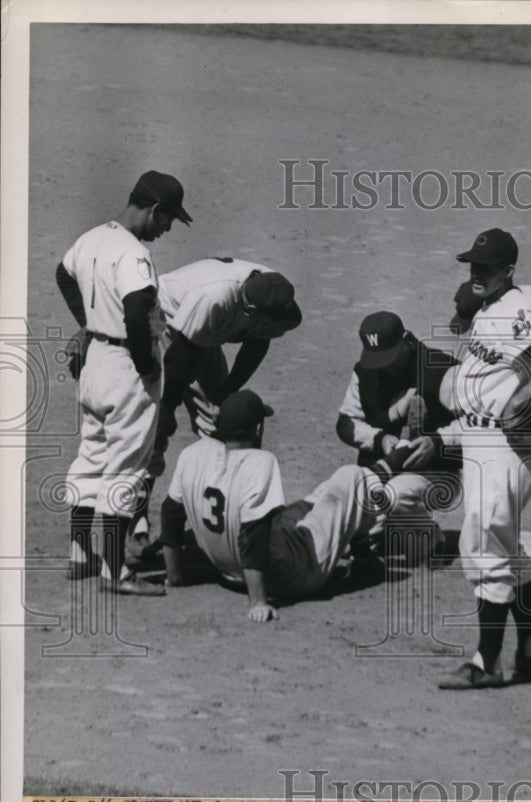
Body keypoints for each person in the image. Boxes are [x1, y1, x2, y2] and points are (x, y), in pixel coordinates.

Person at [57, 170, 192, 596]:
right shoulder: (135, 253)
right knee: (126, 469)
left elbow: (62, 274)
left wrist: (87, 323)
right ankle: (115, 572)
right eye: (169, 218)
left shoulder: (93, 237)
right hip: (124, 368)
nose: (168, 228)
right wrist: (145, 364)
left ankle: (80, 554)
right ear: (154, 209)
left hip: (96, 361)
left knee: (91, 455)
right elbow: (137, 311)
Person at [435, 229, 531, 690]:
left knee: (483, 550)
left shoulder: (523, 312)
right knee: (505, 548)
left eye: (485, 268)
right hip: (480, 443)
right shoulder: (489, 304)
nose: (475, 274)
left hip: (504, 446)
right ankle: (529, 650)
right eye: (472, 266)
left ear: (508, 269)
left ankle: (487, 663)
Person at [127, 258, 302, 559]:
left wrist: (225, 394)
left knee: (224, 425)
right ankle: (136, 524)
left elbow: (256, 346)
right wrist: (167, 408)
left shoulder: (270, 291)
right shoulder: (215, 299)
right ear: (254, 314)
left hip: (202, 336)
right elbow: (180, 357)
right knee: (155, 432)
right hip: (165, 326)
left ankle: (225, 517)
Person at [160, 390, 387, 621]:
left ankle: (353, 534)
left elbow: (170, 515)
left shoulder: (193, 454)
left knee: (313, 501)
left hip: (227, 570)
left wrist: (175, 575)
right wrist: (258, 601)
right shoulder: (259, 463)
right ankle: (393, 468)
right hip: (288, 574)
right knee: (353, 477)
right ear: (258, 429)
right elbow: (253, 535)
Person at [336, 310, 461, 556]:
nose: (384, 366)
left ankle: (432, 540)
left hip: (439, 472)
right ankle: (389, 527)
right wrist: (380, 439)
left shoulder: (444, 370)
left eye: (389, 357)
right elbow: (346, 422)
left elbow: (480, 423)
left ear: (406, 341)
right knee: (359, 536)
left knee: (395, 500)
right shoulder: (364, 371)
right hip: (383, 467)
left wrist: (438, 442)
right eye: (377, 359)